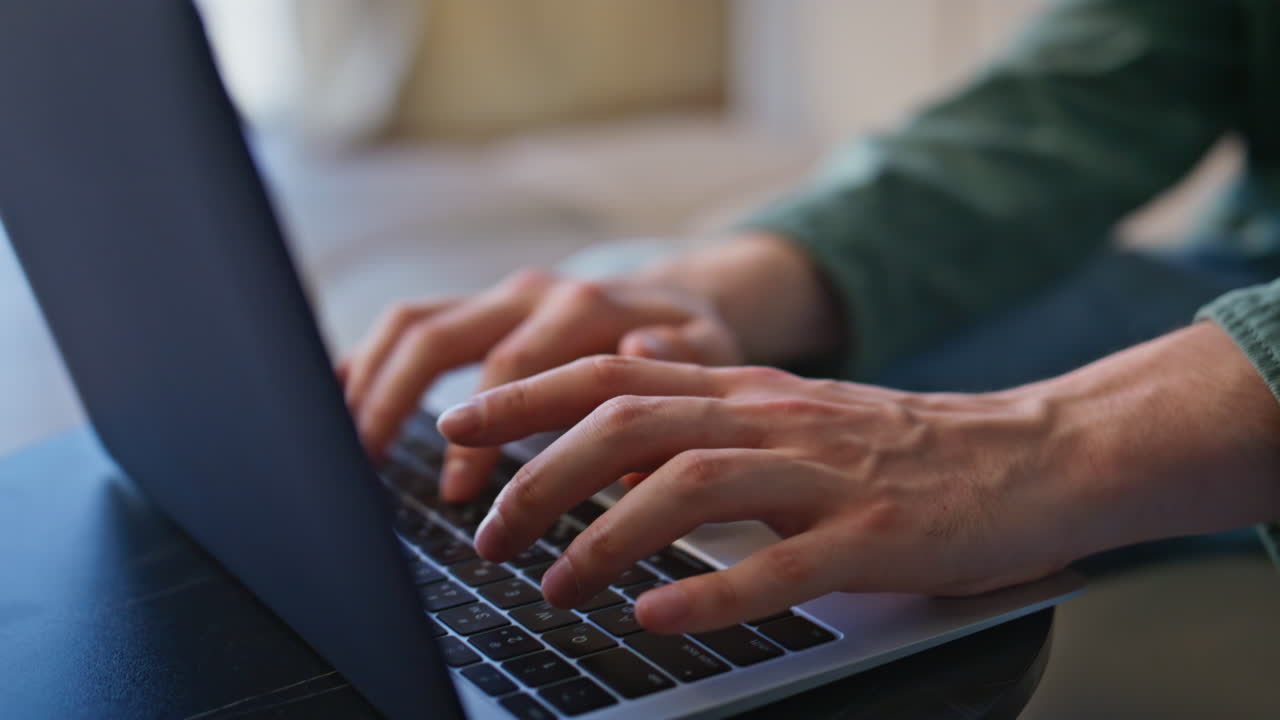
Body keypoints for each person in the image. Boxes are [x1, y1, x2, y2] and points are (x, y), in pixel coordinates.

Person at [339, 0, 1280, 634]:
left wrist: (1044, 443)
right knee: (603, 341)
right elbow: (1105, 80)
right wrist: (725, 285)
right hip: (1239, 269)